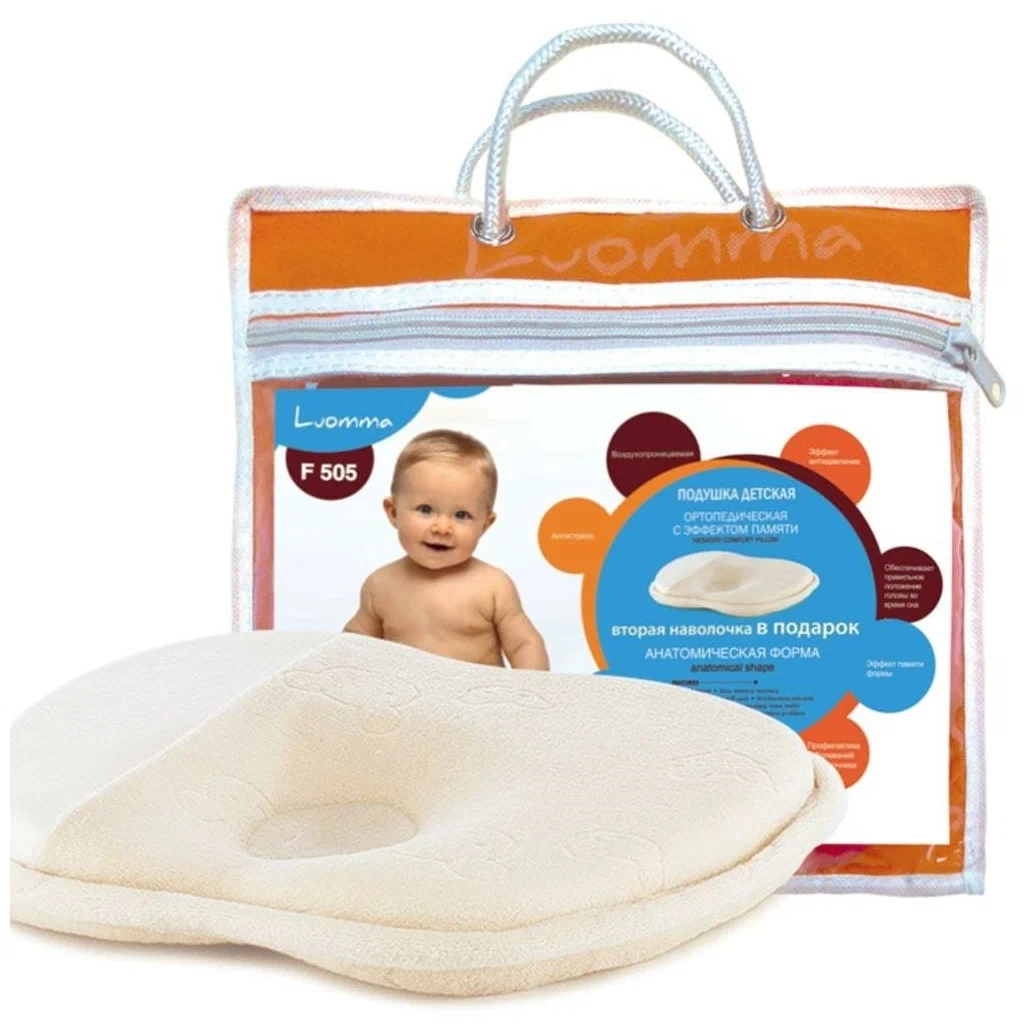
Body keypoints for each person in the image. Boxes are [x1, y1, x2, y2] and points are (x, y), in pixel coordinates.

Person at [344, 429, 550, 670]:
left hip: (477, 692)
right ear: (393, 512)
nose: (442, 528)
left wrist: (532, 689)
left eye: (461, 515)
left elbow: (524, 644)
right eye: (425, 510)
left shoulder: (493, 586)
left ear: (485, 525)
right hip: (403, 693)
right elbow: (353, 643)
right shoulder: (380, 585)